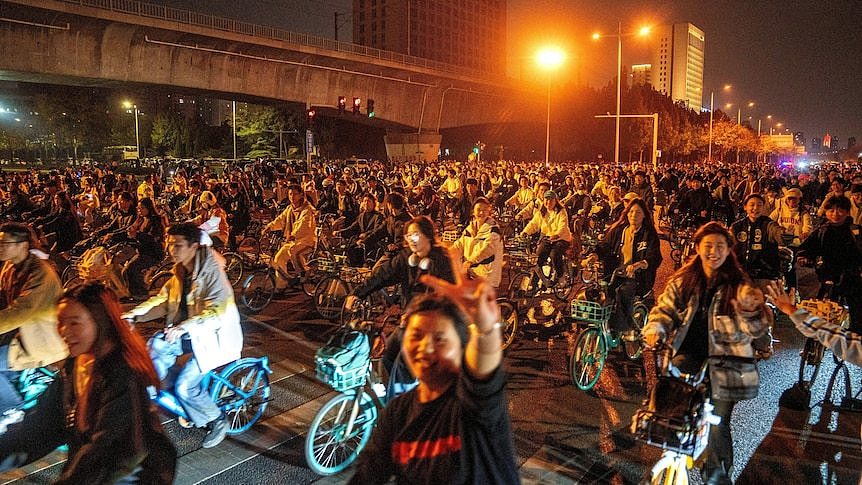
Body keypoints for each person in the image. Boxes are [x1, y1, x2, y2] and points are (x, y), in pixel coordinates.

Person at [348, 250, 519, 484]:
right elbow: (369, 472)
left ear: (460, 347)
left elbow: (484, 378)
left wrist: (484, 329)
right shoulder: (398, 413)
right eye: (416, 336)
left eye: (439, 339)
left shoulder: (472, 404)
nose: (425, 347)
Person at [0, 282, 176, 484]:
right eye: (60, 321)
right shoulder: (76, 364)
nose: (63, 331)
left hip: (130, 475)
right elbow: (41, 427)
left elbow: (106, 450)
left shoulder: (125, 374)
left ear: (100, 321)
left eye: (74, 322)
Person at [643, 222, 772, 485]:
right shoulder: (684, 280)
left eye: (720, 246)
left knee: (716, 425)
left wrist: (763, 343)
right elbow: (665, 308)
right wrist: (656, 328)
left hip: (728, 364)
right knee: (670, 406)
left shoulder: (739, 285)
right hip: (689, 355)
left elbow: (757, 322)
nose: (713, 251)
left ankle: (718, 478)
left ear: (728, 251)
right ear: (698, 247)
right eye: (708, 246)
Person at [123, 223, 243, 449]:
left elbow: (217, 312)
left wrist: (183, 327)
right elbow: (162, 301)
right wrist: (133, 316)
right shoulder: (180, 272)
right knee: (154, 351)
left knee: (185, 387)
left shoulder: (213, 274)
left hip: (213, 338)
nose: (171, 250)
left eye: (177, 245)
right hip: (188, 332)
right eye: (170, 244)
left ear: (194, 246)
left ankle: (216, 419)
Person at [0, 223, 68, 417]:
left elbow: (19, 311)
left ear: (23, 245)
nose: (1, 247)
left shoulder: (41, 274)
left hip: (42, 341)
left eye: (5, 243)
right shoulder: (10, 267)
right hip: (20, 336)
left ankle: (11, 411)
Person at [589, 198, 661, 336]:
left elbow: (654, 257)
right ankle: (606, 324)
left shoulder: (649, 235)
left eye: (638, 212)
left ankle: (623, 329)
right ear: (627, 213)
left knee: (622, 292)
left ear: (644, 215)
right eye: (631, 212)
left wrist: (640, 264)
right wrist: (594, 256)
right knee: (598, 293)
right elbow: (605, 246)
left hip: (638, 278)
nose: (634, 215)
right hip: (614, 274)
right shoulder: (618, 230)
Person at [796, 195, 862, 334]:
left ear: (847, 212)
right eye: (831, 210)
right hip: (825, 275)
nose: (835, 214)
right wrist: (803, 257)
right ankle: (813, 343)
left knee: (856, 310)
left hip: (850, 276)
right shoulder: (822, 229)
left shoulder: (855, 231)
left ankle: (855, 342)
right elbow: (807, 247)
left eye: (840, 210)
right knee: (818, 310)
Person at [264, 184, 317, 290]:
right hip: (293, 240)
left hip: (307, 240)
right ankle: (281, 284)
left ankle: (305, 273)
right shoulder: (289, 209)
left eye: (295, 194)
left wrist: (293, 235)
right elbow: (280, 220)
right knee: (278, 258)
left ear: (301, 195)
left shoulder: (307, 209)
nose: (292, 197)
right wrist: (268, 227)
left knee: (294, 251)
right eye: (290, 194)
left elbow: (304, 225)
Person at [730, 194, 784, 289]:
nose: (755, 208)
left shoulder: (768, 224)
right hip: (742, 276)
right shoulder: (736, 227)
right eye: (752, 204)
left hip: (765, 276)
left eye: (759, 205)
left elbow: (777, 232)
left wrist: (783, 235)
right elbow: (730, 249)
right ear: (745, 207)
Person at [520, 190, 572, 286]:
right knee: (537, 259)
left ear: (555, 201)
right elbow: (533, 224)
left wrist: (556, 234)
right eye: (546, 200)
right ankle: (534, 284)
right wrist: (525, 232)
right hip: (547, 238)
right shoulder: (542, 212)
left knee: (554, 254)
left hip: (561, 238)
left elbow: (563, 226)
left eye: (551, 200)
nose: (548, 203)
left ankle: (560, 275)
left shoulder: (561, 211)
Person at [451, 197, 504, 288]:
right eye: (478, 210)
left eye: (485, 210)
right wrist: (446, 253)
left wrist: (470, 261)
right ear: (473, 212)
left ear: (489, 212)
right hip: (472, 272)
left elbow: (487, 249)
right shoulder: (470, 228)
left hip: (487, 276)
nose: (481, 213)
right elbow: (459, 244)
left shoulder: (493, 230)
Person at [123, 197, 166, 302]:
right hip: (142, 252)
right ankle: (132, 293)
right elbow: (130, 230)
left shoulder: (155, 220)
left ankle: (140, 294)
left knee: (131, 269)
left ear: (148, 208)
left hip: (153, 253)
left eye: (142, 208)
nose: (139, 210)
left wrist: (137, 235)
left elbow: (153, 237)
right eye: (138, 208)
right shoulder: (141, 219)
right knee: (125, 270)